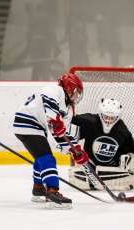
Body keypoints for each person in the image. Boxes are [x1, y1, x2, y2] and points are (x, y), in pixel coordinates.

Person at [13, 73, 89, 209]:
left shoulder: (68, 109)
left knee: (40, 158)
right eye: (76, 92)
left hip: (35, 127)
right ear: (70, 88)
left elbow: (61, 133)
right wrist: (55, 119)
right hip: (27, 123)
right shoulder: (55, 90)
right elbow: (48, 102)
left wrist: (75, 150)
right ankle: (52, 192)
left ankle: (38, 188)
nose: (77, 96)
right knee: (47, 159)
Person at [69, 98, 134, 191]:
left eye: (111, 118)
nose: (108, 120)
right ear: (100, 114)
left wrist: (128, 159)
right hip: (90, 164)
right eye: (106, 116)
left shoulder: (122, 130)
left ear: (117, 117)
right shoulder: (90, 122)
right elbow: (71, 121)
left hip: (112, 168)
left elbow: (133, 150)